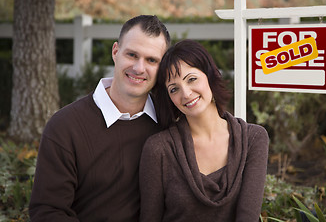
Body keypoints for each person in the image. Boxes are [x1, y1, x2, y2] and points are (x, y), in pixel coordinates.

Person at [29, 15, 171, 222]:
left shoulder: (168, 121)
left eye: (151, 60)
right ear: (115, 52)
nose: (139, 68)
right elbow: (48, 211)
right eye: (132, 55)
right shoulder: (65, 126)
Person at [139, 39, 269, 222]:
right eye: (174, 89)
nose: (185, 93)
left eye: (191, 79)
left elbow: (248, 217)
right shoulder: (159, 149)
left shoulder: (253, 139)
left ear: (210, 75)